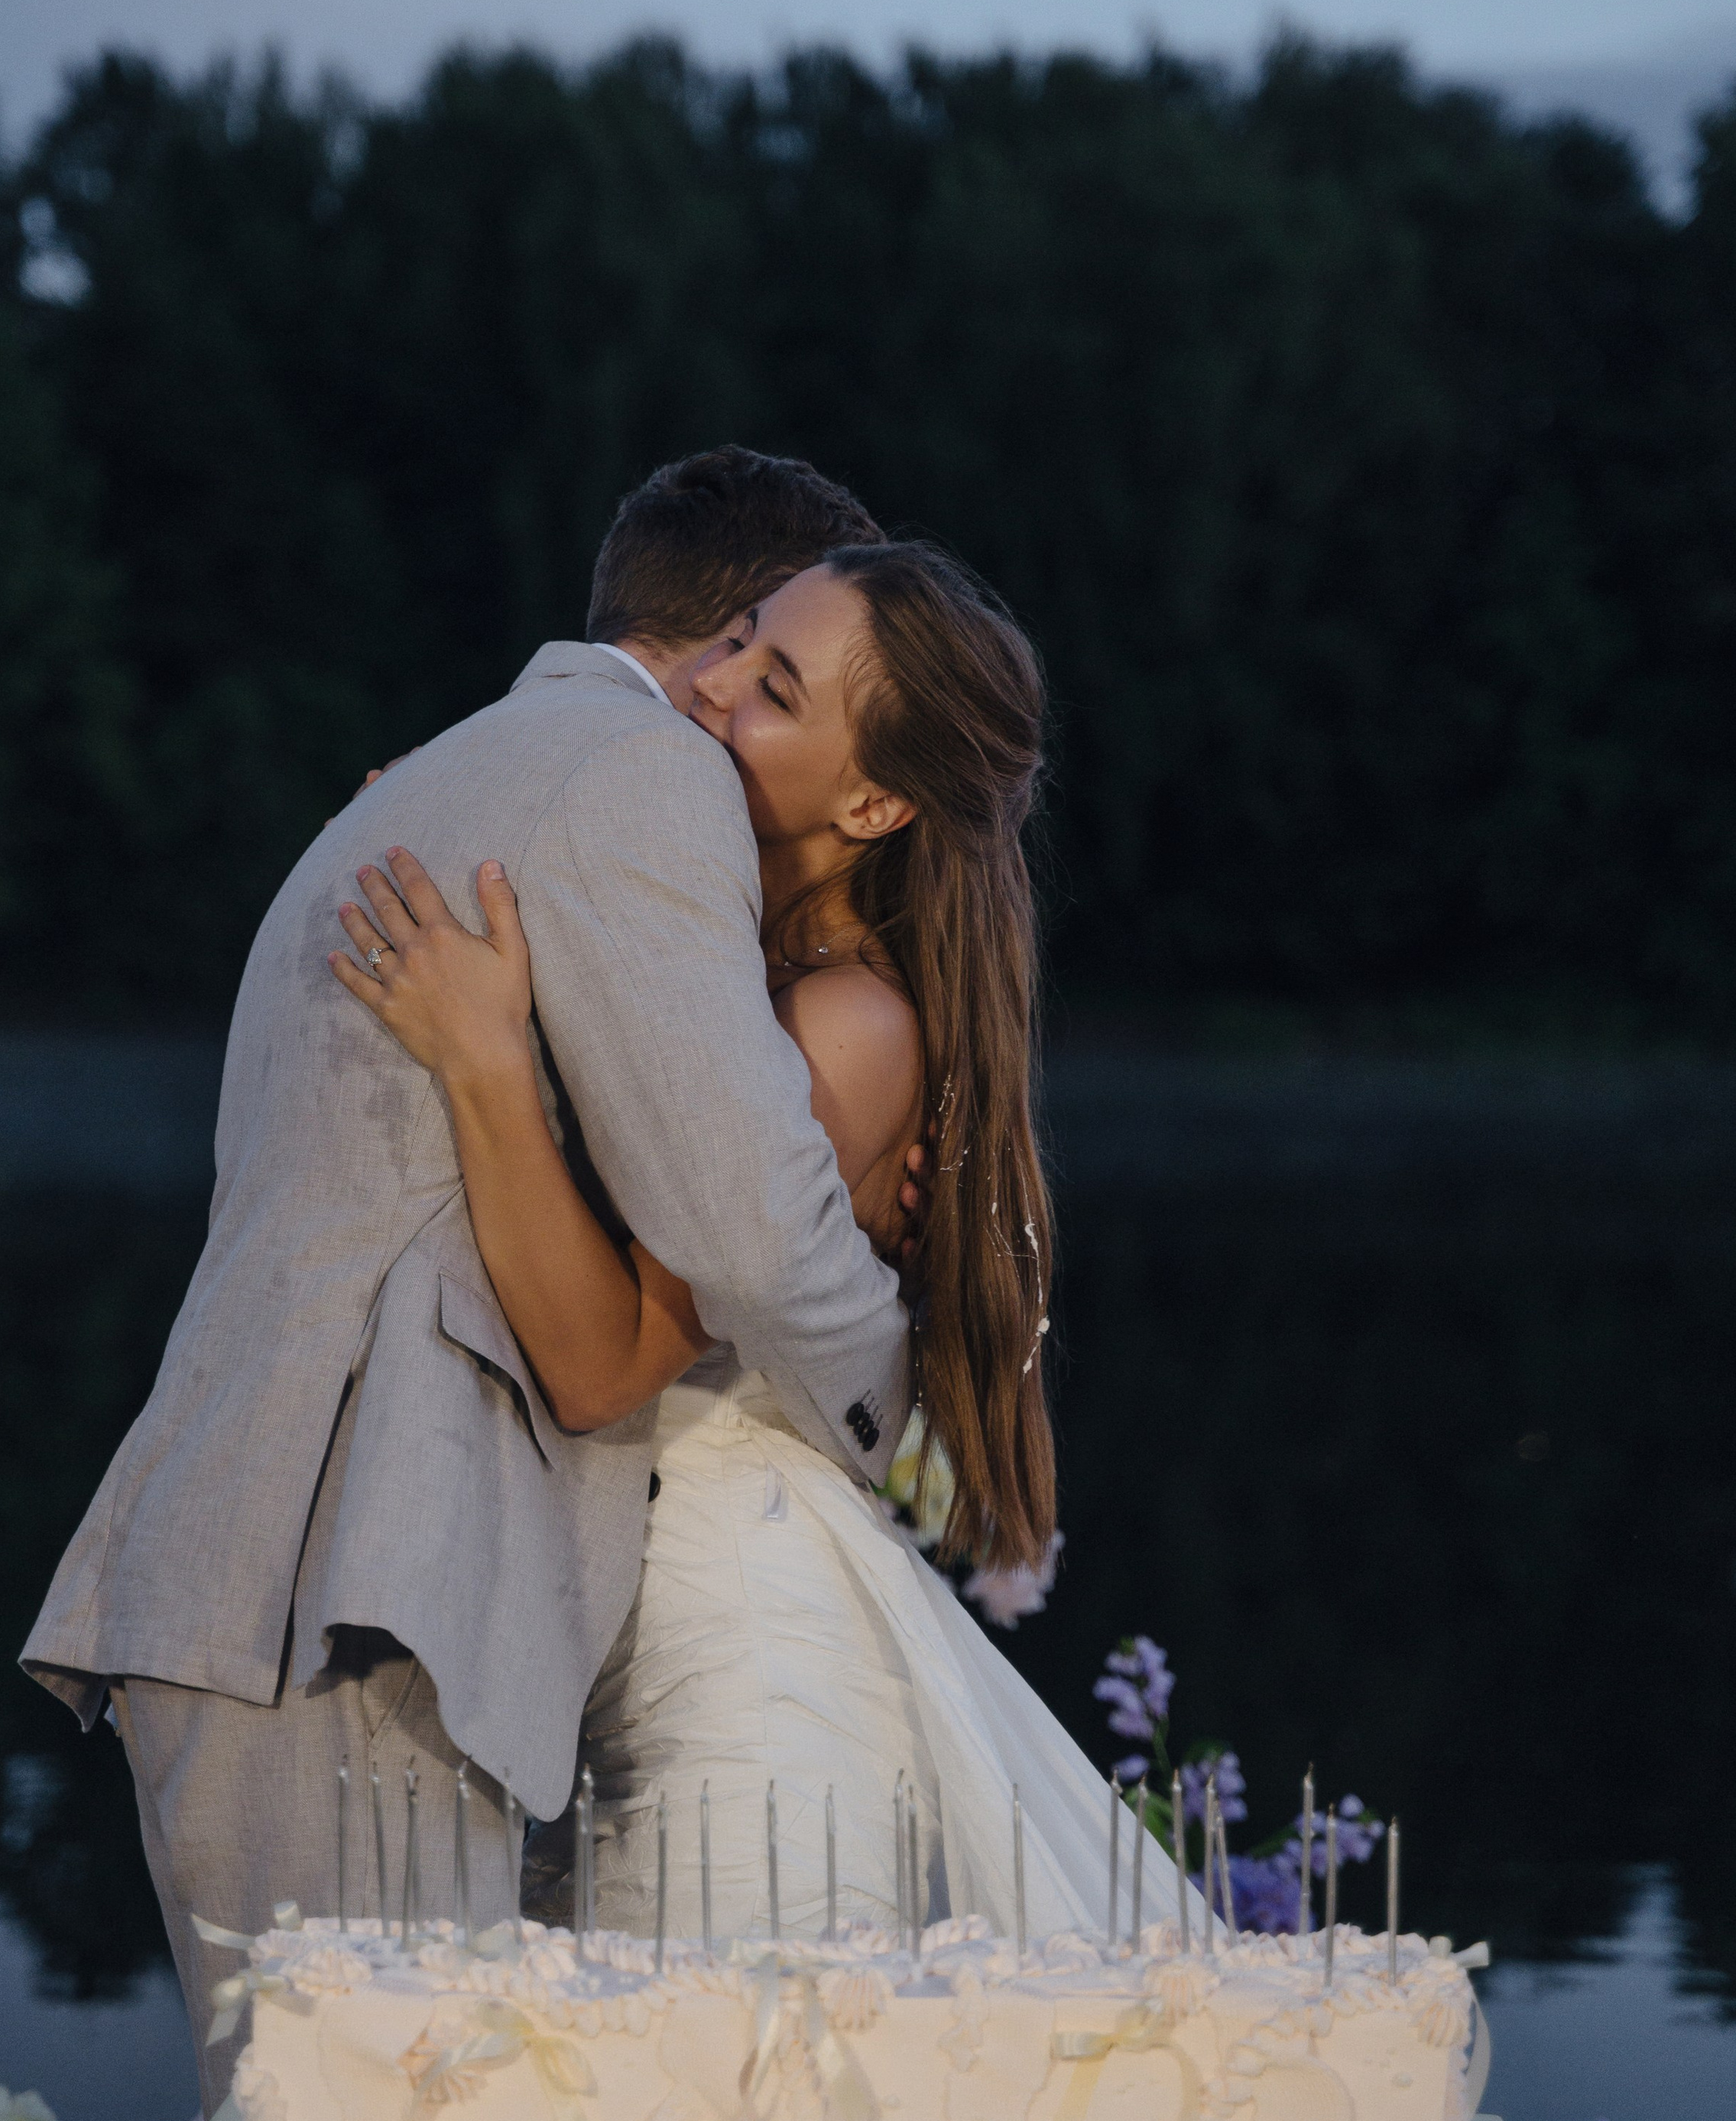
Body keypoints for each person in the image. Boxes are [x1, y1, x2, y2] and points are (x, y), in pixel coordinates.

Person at [21, 448, 933, 2113]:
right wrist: (904, 1377)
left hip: (313, 1577)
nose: (739, 692)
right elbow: (741, 1231)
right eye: (759, 649)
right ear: (724, 624)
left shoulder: (472, 773)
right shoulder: (637, 778)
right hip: (343, 1582)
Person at [331, 540, 1167, 1944]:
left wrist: (481, 1056)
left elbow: (601, 1368)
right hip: (622, 1646)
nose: (709, 687)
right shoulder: (723, 974)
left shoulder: (844, 1028)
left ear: (876, 798)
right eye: (735, 637)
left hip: (737, 1681)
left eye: (774, 687)